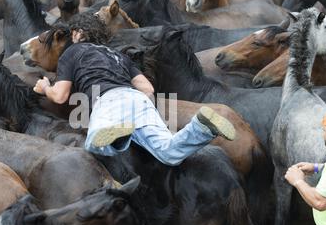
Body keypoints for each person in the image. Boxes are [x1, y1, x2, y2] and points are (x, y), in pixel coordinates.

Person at [33, 14, 236, 166]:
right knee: (168, 152)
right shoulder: (118, 55)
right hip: (138, 99)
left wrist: (45, 87)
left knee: (94, 142)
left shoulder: (72, 52)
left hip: (107, 100)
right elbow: (147, 89)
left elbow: (60, 96)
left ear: (77, 33)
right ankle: (201, 127)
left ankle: (118, 135)